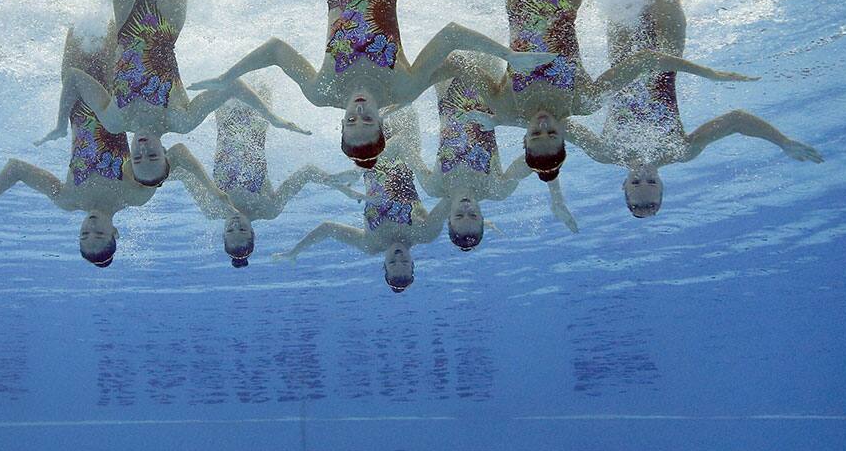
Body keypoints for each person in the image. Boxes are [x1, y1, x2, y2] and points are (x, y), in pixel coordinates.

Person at [185, 0, 557, 169]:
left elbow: (277, 51)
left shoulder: (322, 91)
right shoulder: (402, 89)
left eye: (351, 122)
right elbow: (452, 36)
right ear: (382, 122)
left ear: (341, 123)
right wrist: (508, 57)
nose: (359, 113)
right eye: (368, 121)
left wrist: (228, 76)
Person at [444, 0, 758, 184]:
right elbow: (646, 60)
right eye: (551, 134)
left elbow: (458, 63)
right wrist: (709, 73)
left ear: (524, 139)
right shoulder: (585, 99)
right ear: (564, 135)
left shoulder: (507, 107)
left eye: (535, 135)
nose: (543, 126)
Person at [0, 26, 237, 265]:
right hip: (112, 87)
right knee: (109, 20)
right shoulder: (132, 195)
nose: (90, 229)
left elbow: (16, 169)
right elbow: (178, 157)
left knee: (81, 20)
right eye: (99, 235)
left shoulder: (68, 199)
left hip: (75, 91)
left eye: (84, 235)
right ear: (114, 233)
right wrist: (211, 191)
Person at [36, 0, 311, 187]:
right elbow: (233, 88)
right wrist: (271, 117)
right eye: (152, 157)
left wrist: (61, 124)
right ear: (165, 153)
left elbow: (73, 77)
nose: (143, 150)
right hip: (168, 16)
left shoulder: (115, 121)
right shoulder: (181, 121)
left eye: (138, 158)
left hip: (126, 12)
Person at [564, 0, 823, 217]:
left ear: (624, 184)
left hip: (623, 58)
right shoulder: (683, 151)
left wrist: (539, 161)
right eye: (651, 182)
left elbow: (557, 126)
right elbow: (736, 121)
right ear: (662, 184)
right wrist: (783, 142)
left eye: (635, 182)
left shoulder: (605, 152)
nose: (643, 175)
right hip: (669, 54)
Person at [385, 54, 578, 250]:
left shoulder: (435, 186)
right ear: (482, 216)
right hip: (487, 84)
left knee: (450, 39)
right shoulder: (496, 188)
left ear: (449, 218)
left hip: (447, 83)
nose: (466, 208)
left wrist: (369, 160)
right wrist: (557, 199)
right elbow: (538, 161)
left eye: (459, 215)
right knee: (484, 39)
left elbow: (402, 143)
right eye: (473, 215)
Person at [171, 96, 365, 267]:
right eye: (243, 229)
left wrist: (145, 181)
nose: (236, 223)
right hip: (257, 116)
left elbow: (182, 172)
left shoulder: (212, 209)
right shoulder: (267, 209)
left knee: (228, 74)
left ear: (223, 233)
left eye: (231, 229)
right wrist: (337, 185)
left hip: (225, 114)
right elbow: (307, 173)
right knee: (256, 73)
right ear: (253, 232)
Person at [273, 153, 451, 293]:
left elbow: (327, 228)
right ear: (412, 263)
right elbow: (451, 199)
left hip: (368, 158)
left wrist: (294, 251)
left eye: (392, 263)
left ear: (384, 265)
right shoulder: (425, 233)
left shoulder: (370, 244)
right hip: (401, 154)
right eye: (404, 263)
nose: (398, 257)